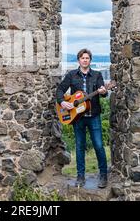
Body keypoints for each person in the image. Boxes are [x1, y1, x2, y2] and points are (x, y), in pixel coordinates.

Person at [56, 48, 108, 188]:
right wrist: (62, 102)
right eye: (82, 58)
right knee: (80, 147)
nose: (85, 60)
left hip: (93, 116)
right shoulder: (71, 75)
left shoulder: (97, 75)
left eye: (87, 58)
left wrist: (103, 91)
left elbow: (103, 94)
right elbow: (60, 89)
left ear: (90, 60)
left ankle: (103, 175)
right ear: (78, 60)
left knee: (98, 145)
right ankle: (80, 176)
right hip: (77, 117)